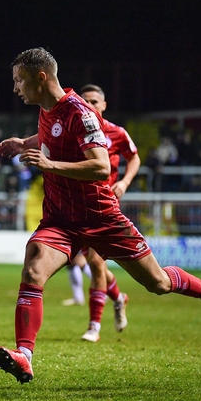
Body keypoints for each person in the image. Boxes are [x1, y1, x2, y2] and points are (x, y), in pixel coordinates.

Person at [0, 48, 201, 384]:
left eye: (19, 80)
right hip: (60, 219)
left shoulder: (81, 114)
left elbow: (100, 166)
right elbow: (52, 135)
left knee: (158, 283)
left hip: (101, 217)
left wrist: (50, 165)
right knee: (34, 266)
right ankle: (24, 357)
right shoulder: (48, 110)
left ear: (41, 78)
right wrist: (24, 142)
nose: (15, 88)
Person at [63, 83, 141, 343]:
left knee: (96, 263)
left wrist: (125, 182)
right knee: (95, 265)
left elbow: (134, 157)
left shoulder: (116, 133)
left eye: (95, 101)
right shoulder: (74, 129)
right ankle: (119, 297)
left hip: (104, 206)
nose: (90, 105)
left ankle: (94, 326)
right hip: (78, 206)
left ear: (104, 105)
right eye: (85, 101)